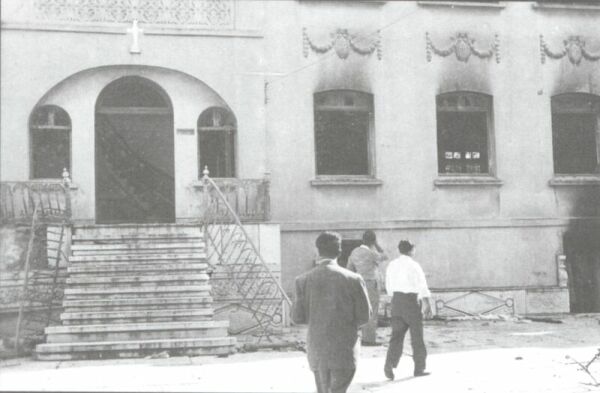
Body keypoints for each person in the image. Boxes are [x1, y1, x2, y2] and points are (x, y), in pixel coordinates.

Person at [292, 231, 372, 393]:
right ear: (340, 252)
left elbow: (297, 317)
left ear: (317, 251)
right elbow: (364, 317)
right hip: (344, 351)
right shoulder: (354, 279)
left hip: (318, 350)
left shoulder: (302, 280)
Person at [383, 240, 433, 380]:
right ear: (412, 250)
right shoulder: (414, 265)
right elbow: (422, 285)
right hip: (411, 301)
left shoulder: (392, 265)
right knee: (417, 337)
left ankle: (389, 364)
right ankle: (419, 368)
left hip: (397, 301)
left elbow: (389, 286)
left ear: (399, 250)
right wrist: (427, 303)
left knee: (396, 337)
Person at [346, 230, 387, 345]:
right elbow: (385, 256)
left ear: (363, 240)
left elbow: (349, 269)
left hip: (358, 283)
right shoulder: (372, 253)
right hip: (371, 284)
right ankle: (368, 339)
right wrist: (377, 245)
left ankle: (356, 337)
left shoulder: (354, 252)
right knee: (371, 311)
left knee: (359, 310)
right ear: (373, 241)